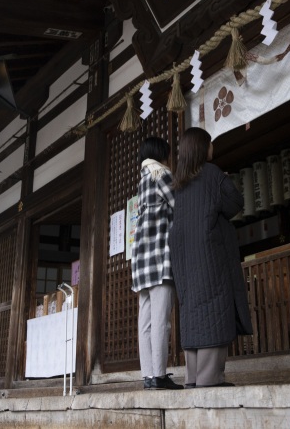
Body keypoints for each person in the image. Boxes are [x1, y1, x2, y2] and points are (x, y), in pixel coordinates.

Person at [168, 127, 251, 388]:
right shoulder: (212, 174)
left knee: (193, 310)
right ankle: (210, 379)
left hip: (183, 260)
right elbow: (236, 203)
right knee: (214, 307)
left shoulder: (179, 184)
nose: (213, 147)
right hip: (209, 256)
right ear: (203, 148)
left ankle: (193, 378)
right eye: (210, 143)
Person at [130, 136, 183, 390]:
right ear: (161, 154)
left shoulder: (142, 179)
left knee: (146, 322)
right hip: (160, 259)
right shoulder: (161, 174)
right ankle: (160, 375)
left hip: (141, 263)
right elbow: (179, 204)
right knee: (162, 320)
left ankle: (149, 376)